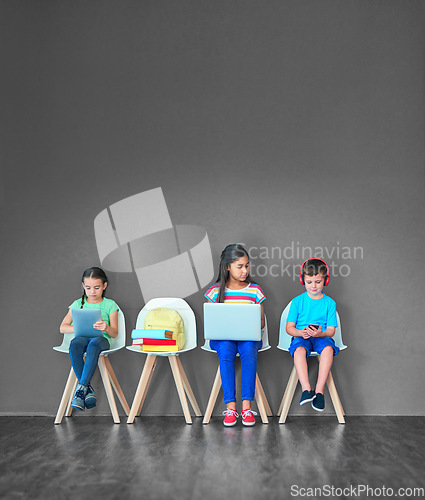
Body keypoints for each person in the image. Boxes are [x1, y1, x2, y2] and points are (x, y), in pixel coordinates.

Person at [205, 244, 266, 426]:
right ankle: (231, 408)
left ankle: (246, 408)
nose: (244, 270)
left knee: (248, 350)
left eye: (247, 266)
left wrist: (251, 322)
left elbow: (261, 323)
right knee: (225, 349)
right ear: (227, 267)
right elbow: (211, 321)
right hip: (223, 339)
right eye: (240, 266)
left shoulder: (255, 291)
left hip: (248, 338)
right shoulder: (215, 292)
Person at [60, 267, 119, 411]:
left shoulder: (110, 305)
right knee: (75, 344)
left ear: (104, 286)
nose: (92, 292)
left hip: (101, 340)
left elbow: (115, 333)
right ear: (83, 287)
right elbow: (63, 327)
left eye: (97, 288)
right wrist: (78, 327)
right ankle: (86, 389)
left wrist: (106, 327)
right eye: (88, 288)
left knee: (93, 345)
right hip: (82, 337)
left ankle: (81, 389)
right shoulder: (77, 304)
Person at [286, 258, 339, 411]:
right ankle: (306, 389)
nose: (313, 286)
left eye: (317, 282)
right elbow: (289, 328)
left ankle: (319, 391)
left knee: (328, 349)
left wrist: (320, 333)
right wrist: (300, 332)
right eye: (309, 282)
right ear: (303, 281)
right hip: (302, 337)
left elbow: (331, 331)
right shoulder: (297, 302)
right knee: (299, 350)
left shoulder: (330, 303)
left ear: (325, 280)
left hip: (321, 337)